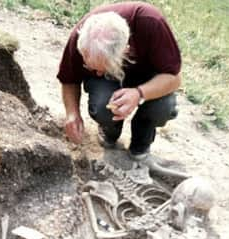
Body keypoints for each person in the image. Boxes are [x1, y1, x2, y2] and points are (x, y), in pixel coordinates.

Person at [57, 1, 182, 160]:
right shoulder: (81, 36)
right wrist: (72, 114)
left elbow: (174, 78)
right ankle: (109, 130)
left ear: (126, 50)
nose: (97, 72)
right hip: (111, 81)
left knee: (163, 107)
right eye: (91, 67)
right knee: (103, 106)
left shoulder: (152, 23)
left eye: (102, 67)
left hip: (147, 78)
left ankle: (141, 142)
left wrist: (139, 93)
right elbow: (69, 78)